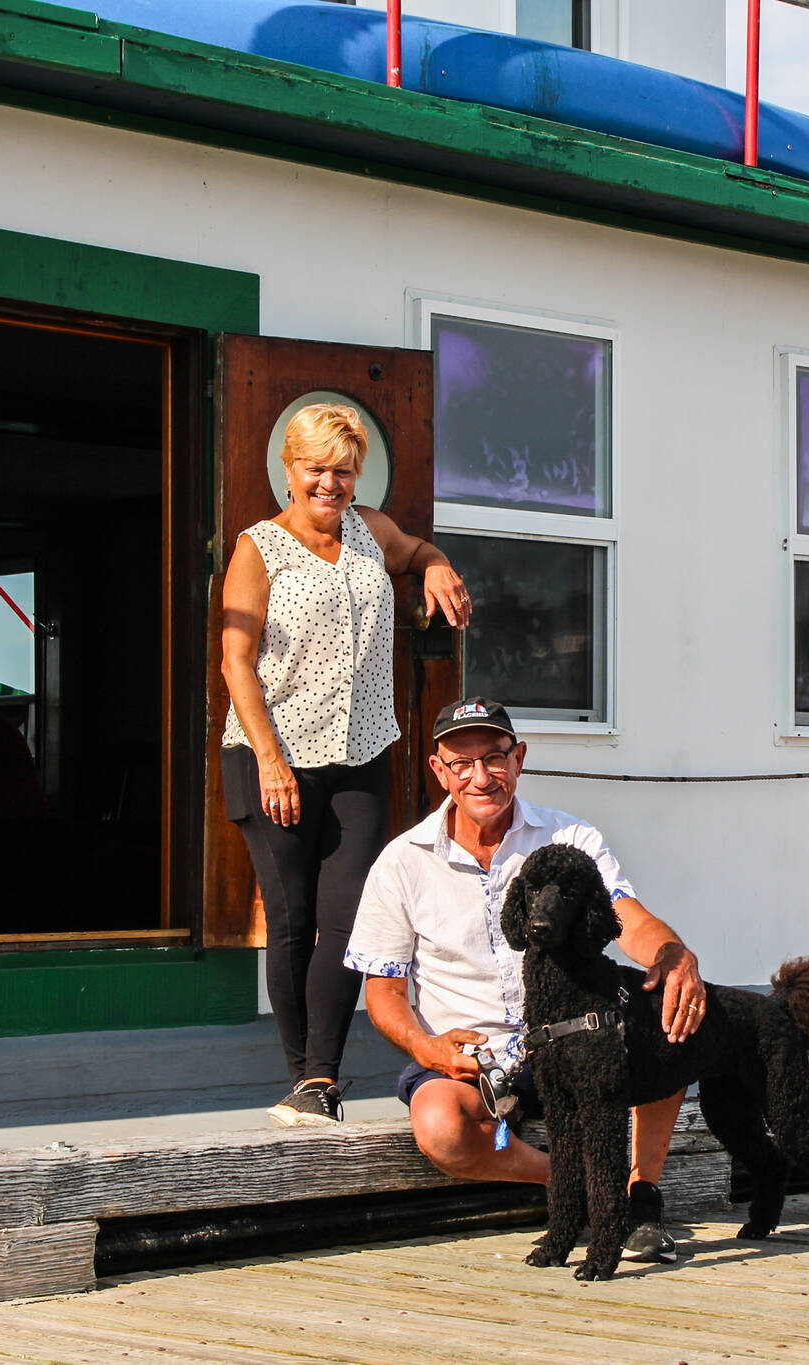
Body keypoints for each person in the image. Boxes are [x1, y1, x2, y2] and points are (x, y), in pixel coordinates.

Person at [347, 697, 706, 1263]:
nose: (481, 777)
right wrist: (429, 1048)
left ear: (520, 760)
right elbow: (384, 991)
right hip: (475, 1057)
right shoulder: (401, 861)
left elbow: (627, 918)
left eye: (494, 758)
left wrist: (673, 953)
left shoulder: (571, 837)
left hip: (574, 1035)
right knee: (440, 1128)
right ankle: (581, 1183)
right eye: (461, 764)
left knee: (665, 1013)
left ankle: (641, 1192)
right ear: (439, 771)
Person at [220, 403, 472, 1127]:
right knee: (294, 918)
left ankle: (321, 1077)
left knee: (351, 917)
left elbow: (417, 549)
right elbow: (236, 660)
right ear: (289, 470)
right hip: (275, 756)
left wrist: (437, 568)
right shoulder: (258, 547)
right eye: (315, 469)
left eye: (342, 470)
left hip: (361, 754)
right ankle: (304, 1075)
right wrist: (270, 759)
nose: (329, 483)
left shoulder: (371, 533)